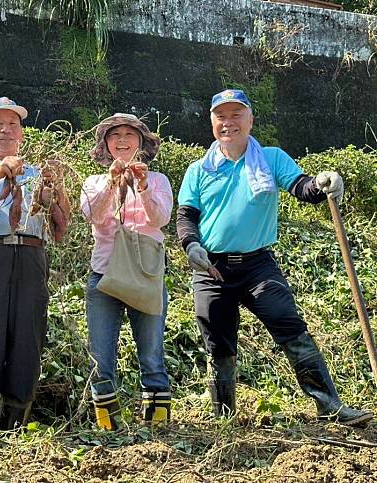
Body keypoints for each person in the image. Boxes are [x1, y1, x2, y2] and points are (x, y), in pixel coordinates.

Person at [176, 89, 372, 426]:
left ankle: (329, 405)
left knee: (287, 322)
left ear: (251, 119)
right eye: (221, 116)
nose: (229, 123)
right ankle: (223, 415)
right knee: (217, 340)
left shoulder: (271, 158)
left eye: (237, 115)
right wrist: (191, 245)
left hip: (257, 265)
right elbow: (186, 216)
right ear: (212, 123)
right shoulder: (198, 170)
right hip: (212, 268)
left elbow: (302, 188)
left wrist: (323, 182)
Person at [0, 97, 70, 432]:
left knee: (27, 343)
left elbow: (60, 228)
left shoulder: (35, 173)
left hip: (31, 259)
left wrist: (56, 189)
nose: (6, 130)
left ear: (22, 132)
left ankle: (14, 428)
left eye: (13, 124)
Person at [81, 113, 173, 430]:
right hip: (104, 275)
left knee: (151, 356)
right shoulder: (94, 182)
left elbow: (160, 218)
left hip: (146, 275)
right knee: (101, 359)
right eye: (115, 135)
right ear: (105, 145)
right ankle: (109, 430)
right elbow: (92, 214)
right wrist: (111, 182)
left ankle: (158, 429)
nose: (122, 140)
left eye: (129, 134)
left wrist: (143, 186)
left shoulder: (158, 180)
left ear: (142, 142)